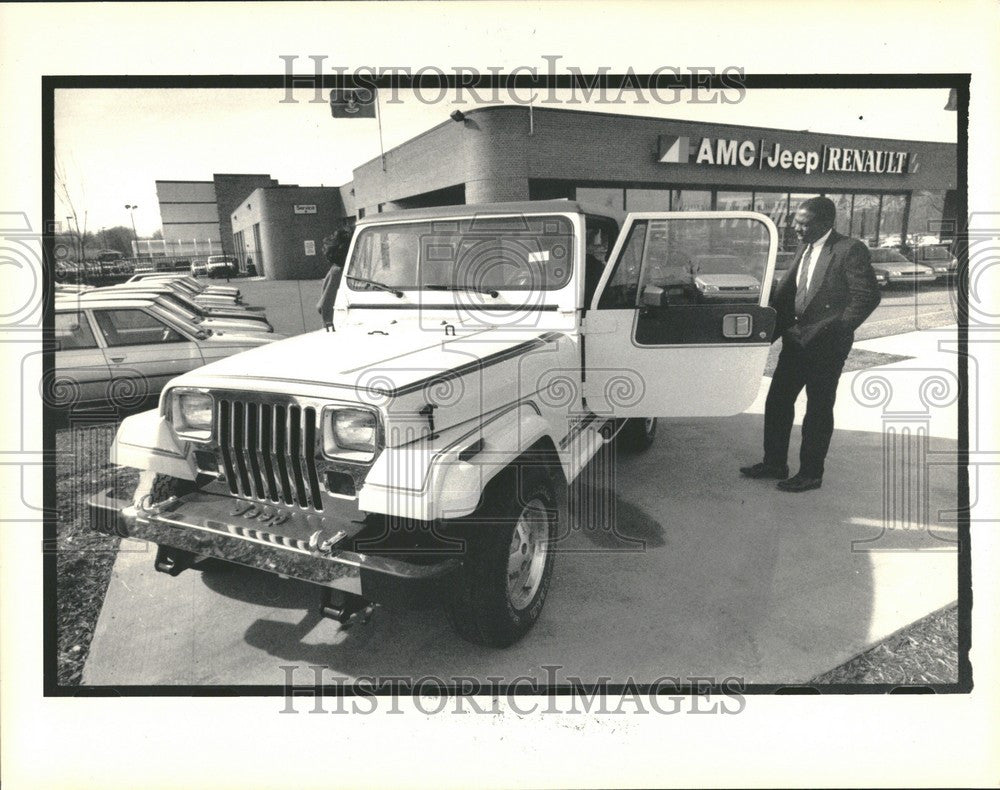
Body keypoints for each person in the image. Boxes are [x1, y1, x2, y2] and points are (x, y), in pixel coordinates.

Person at [740, 197, 881, 492]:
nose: (796, 228)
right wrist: (765, 335)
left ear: (825, 223)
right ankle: (775, 463)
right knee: (777, 401)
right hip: (796, 341)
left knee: (817, 409)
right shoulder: (805, 247)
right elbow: (786, 293)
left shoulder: (849, 249)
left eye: (803, 223)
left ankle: (811, 473)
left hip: (827, 347)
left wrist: (838, 330)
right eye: (795, 222)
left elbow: (867, 296)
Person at [316, 228, 351, 330]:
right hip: (336, 326)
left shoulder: (338, 270)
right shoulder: (338, 272)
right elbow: (324, 304)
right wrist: (330, 324)